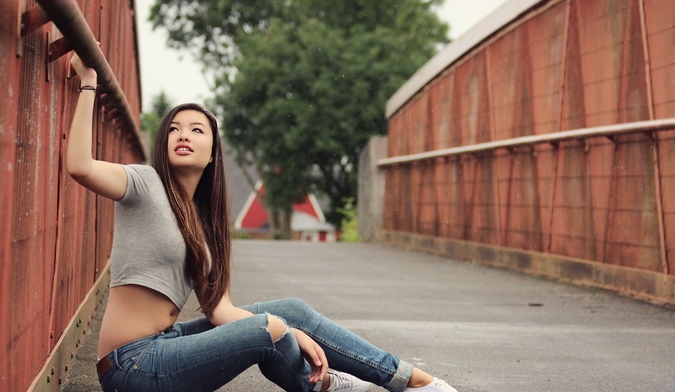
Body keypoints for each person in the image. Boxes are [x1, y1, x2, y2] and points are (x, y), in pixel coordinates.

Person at [66, 51, 458, 392]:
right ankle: (317, 384)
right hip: (129, 367)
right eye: (173, 129)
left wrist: (290, 327)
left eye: (196, 130)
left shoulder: (204, 225)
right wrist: (88, 85)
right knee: (268, 327)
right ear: (163, 144)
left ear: (213, 155)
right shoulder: (143, 182)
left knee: (291, 311)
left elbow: (219, 311)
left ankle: (405, 378)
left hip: (167, 344)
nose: (182, 135)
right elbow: (80, 166)